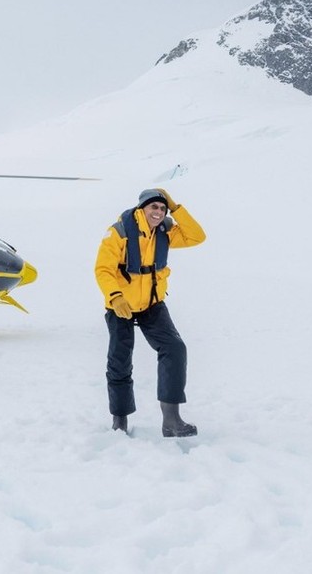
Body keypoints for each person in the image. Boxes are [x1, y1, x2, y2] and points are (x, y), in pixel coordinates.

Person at [95, 187, 206, 437]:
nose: (158, 212)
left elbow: (197, 236)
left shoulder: (165, 231)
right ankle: (120, 419)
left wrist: (177, 208)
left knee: (175, 348)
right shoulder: (119, 232)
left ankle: (171, 420)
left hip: (152, 303)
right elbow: (103, 269)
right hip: (121, 305)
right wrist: (115, 297)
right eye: (153, 207)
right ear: (141, 208)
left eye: (162, 208)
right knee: (119, 360)